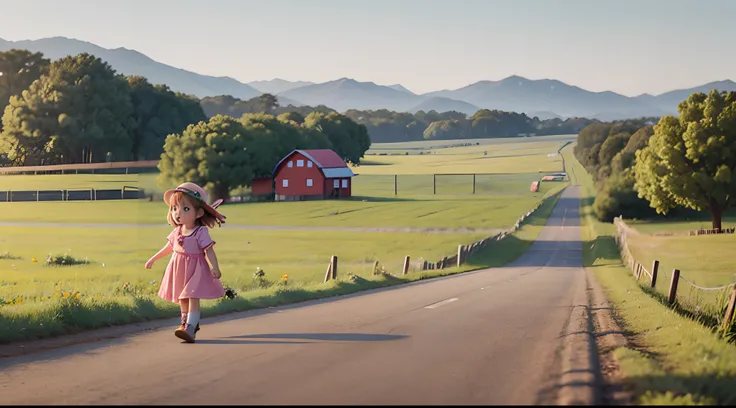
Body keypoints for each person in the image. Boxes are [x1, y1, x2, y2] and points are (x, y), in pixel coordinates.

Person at [145, 182, 227, 343]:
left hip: (196, 268)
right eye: (174, 208)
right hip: (178, 267)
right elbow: (169, 247)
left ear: (199, 213)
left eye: (185, 209)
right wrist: (153, 258)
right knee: (182, 297)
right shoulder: (177, 231)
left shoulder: (200, 231)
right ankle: (184, 324)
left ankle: (191, 326)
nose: (178, 213)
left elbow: (208, 250)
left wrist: (214, 267)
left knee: (192, 295)